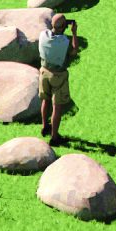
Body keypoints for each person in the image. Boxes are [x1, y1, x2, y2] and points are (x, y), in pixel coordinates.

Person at [37, 10, 81, 141]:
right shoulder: (64, 42)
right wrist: (74, 33)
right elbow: (74, 52)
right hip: (58, 76)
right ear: (63, 27)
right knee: (57, 106)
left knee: (45, 100)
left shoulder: (43, 35)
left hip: (44, 73)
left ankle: (45, 127)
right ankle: (54, 137)